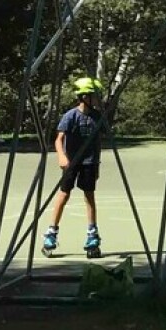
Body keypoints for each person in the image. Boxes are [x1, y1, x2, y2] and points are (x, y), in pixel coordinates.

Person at [43, 76, 105, 258]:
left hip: (89, 162)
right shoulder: (70, 116)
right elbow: (58, 139)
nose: (98, 99)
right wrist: (62, 156)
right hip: (72, 161)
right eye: (95, 95)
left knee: (89, 196)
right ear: (85, 96)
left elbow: (98, 142)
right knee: (63, 194)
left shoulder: (97, 117)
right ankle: (51, 232)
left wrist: (97, 165)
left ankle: (92, 233)